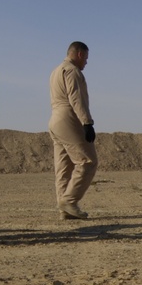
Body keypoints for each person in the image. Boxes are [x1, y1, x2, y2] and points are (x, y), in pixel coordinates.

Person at [48, 41, 97, 220]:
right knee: (87, 161)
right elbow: (76, 98)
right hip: (68, 117)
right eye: (86, 58)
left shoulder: (55, 71)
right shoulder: (72, 71)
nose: (86, 63)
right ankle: (69, 200)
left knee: (63, 167)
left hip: (54, 119)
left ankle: (65, 209)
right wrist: (87, 122)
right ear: (79, 54)